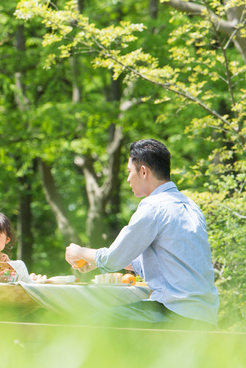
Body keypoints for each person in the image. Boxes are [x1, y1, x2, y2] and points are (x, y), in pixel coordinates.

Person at [65, 139, 219, 329]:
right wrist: (95, 261)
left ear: (144, 171)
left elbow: (113, 259)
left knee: (88, 327)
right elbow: (164, 263)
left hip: (174, 313)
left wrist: (79, 251)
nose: (128, 178)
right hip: (205, 316)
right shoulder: (191, 206)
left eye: (130, 171)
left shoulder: (153, 207)